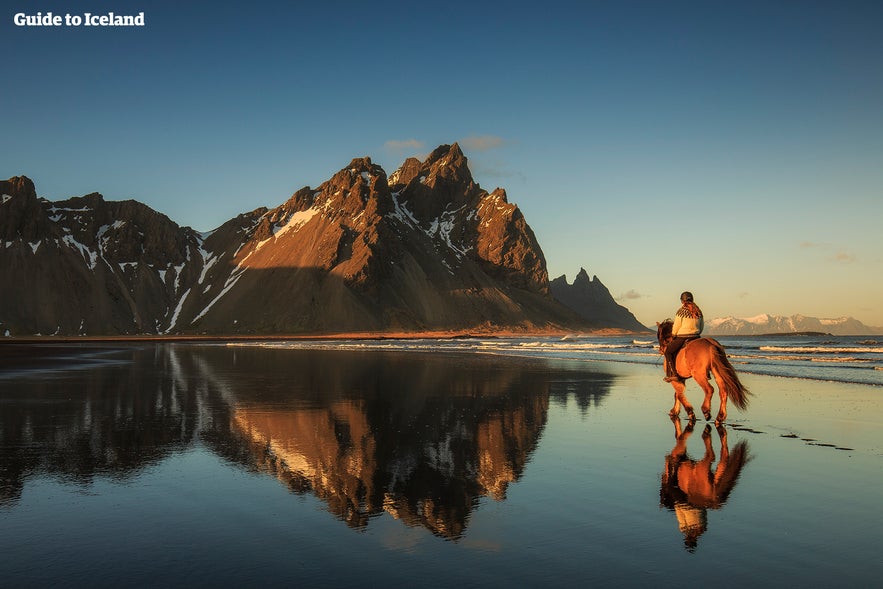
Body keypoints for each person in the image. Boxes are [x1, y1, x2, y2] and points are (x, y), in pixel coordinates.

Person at [664, 291, 704, 382]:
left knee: (668, 352)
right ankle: (707, 373)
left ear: (682, 301)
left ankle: (673, 374)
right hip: (696, 337)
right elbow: (701, 327)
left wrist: (674, 335)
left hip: (683, 337)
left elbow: (677, 326)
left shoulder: (681, 311)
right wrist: (696, 332)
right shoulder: (699, 312)